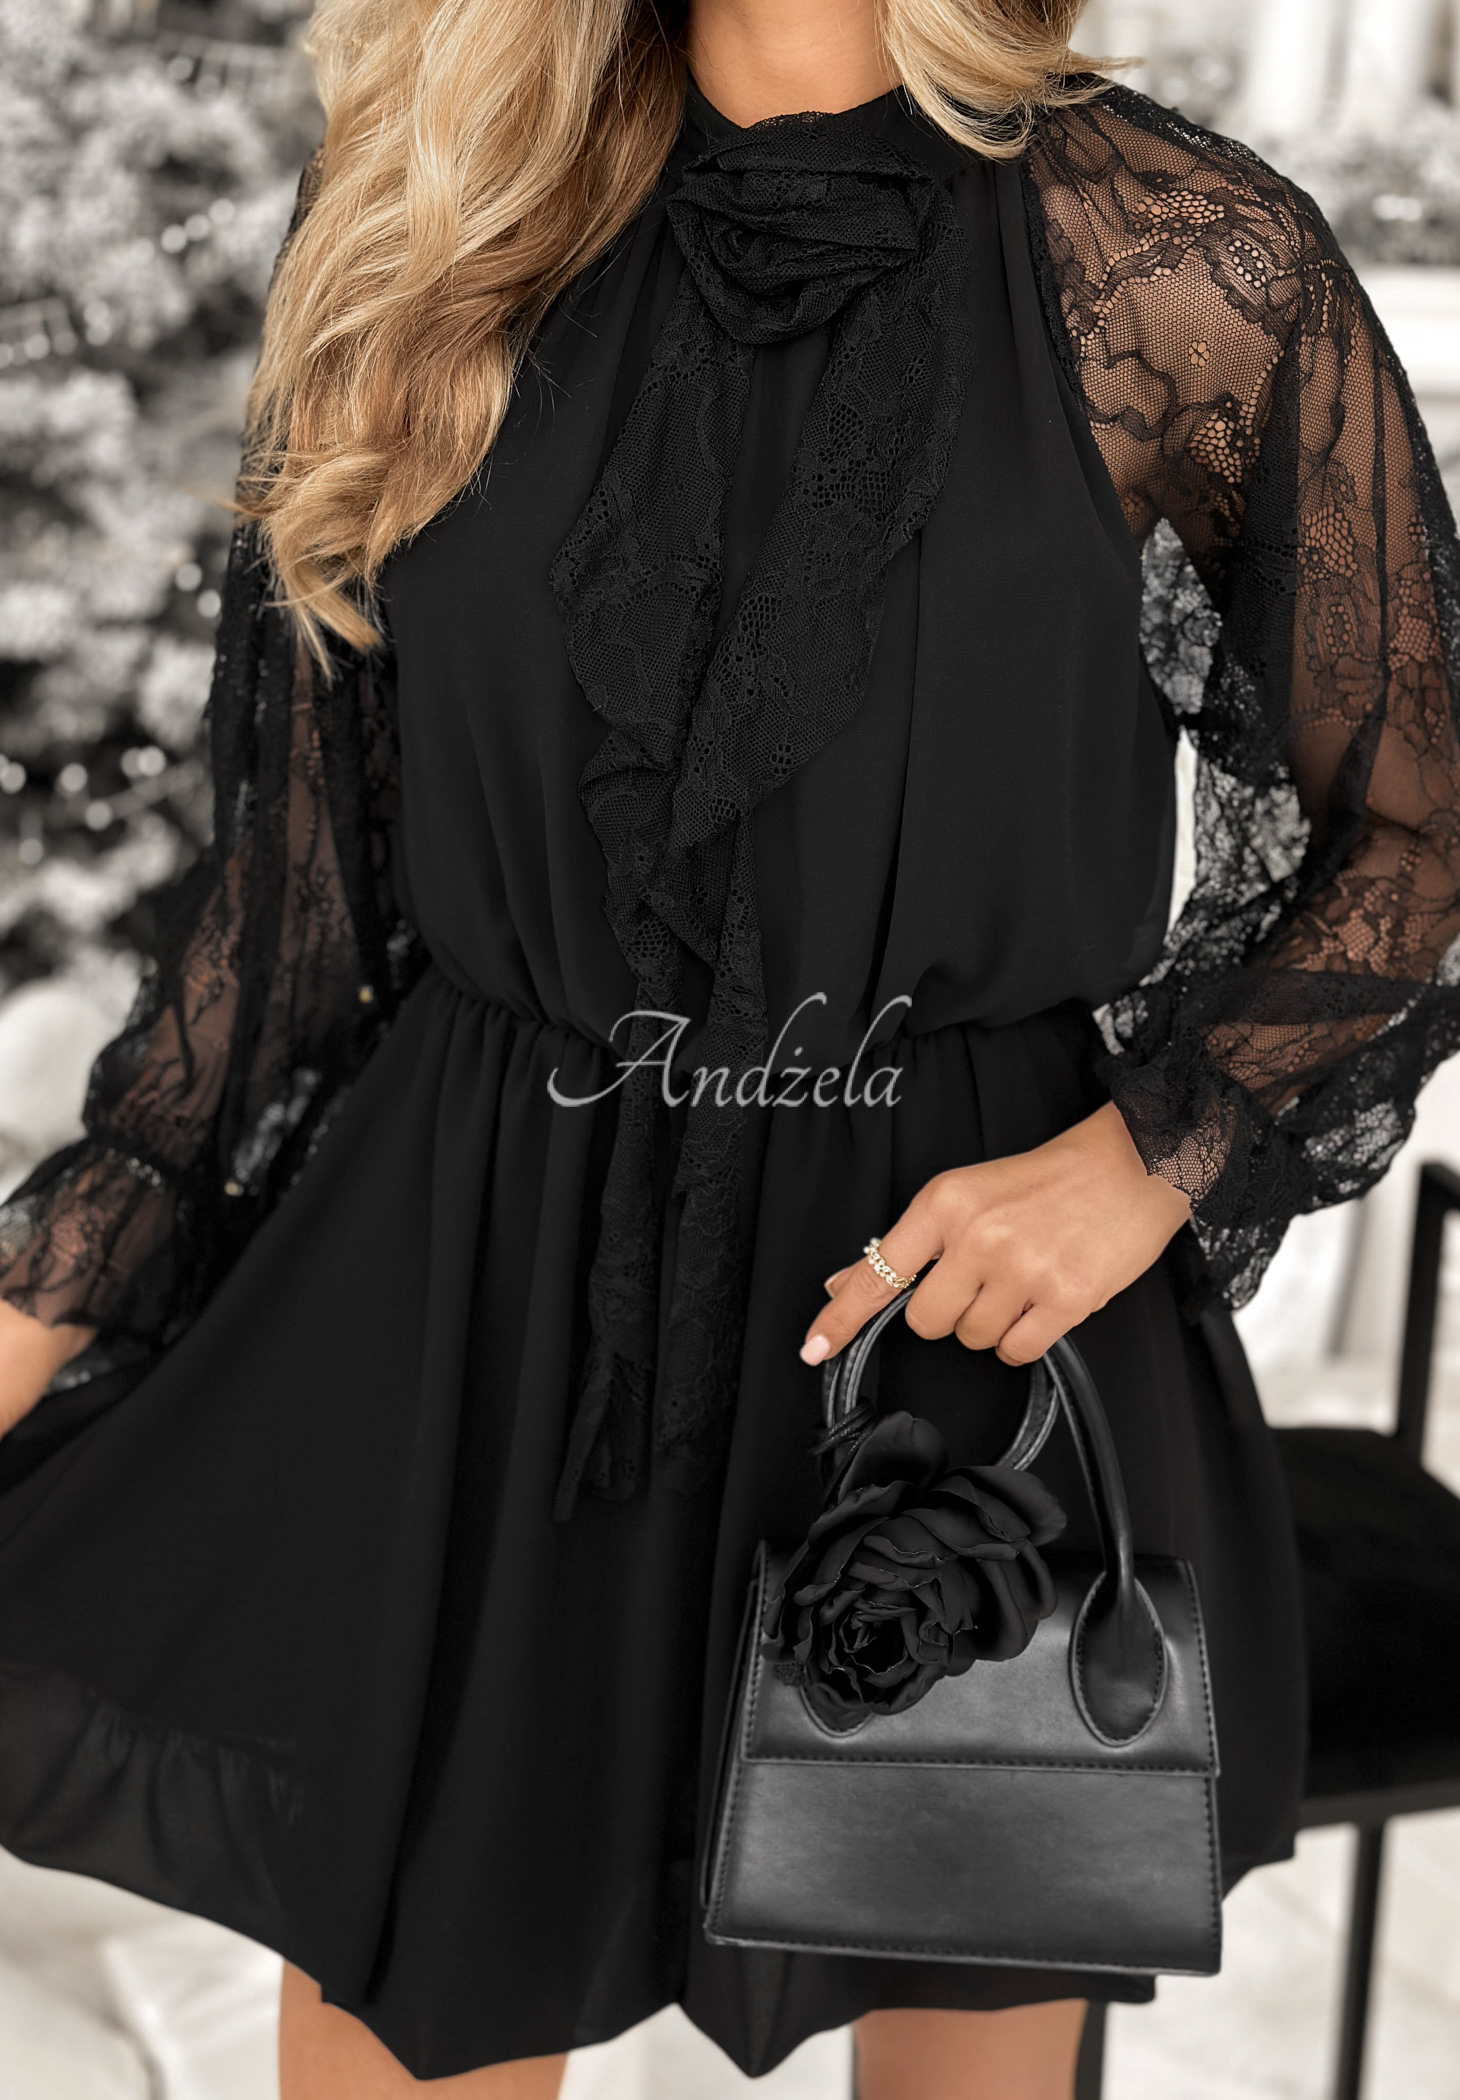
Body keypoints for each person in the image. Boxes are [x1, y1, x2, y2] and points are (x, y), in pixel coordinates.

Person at [1, 0, 1458, 2093]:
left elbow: (1419, 819)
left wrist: (1151, 1157)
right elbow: (290, 911)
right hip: (481, 1318)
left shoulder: (1176, 259)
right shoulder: (432, 207)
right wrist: (46, 1292)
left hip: (957, 1340)